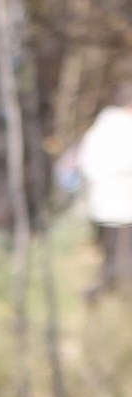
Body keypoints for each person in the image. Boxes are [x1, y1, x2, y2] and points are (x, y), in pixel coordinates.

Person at [64, 86, 132, 294]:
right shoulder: (117, 127)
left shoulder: (102, 127)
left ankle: (108, 289)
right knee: (118, 252)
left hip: (109, 201)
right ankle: (109, 291)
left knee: (113, 250)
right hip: (118, 200)